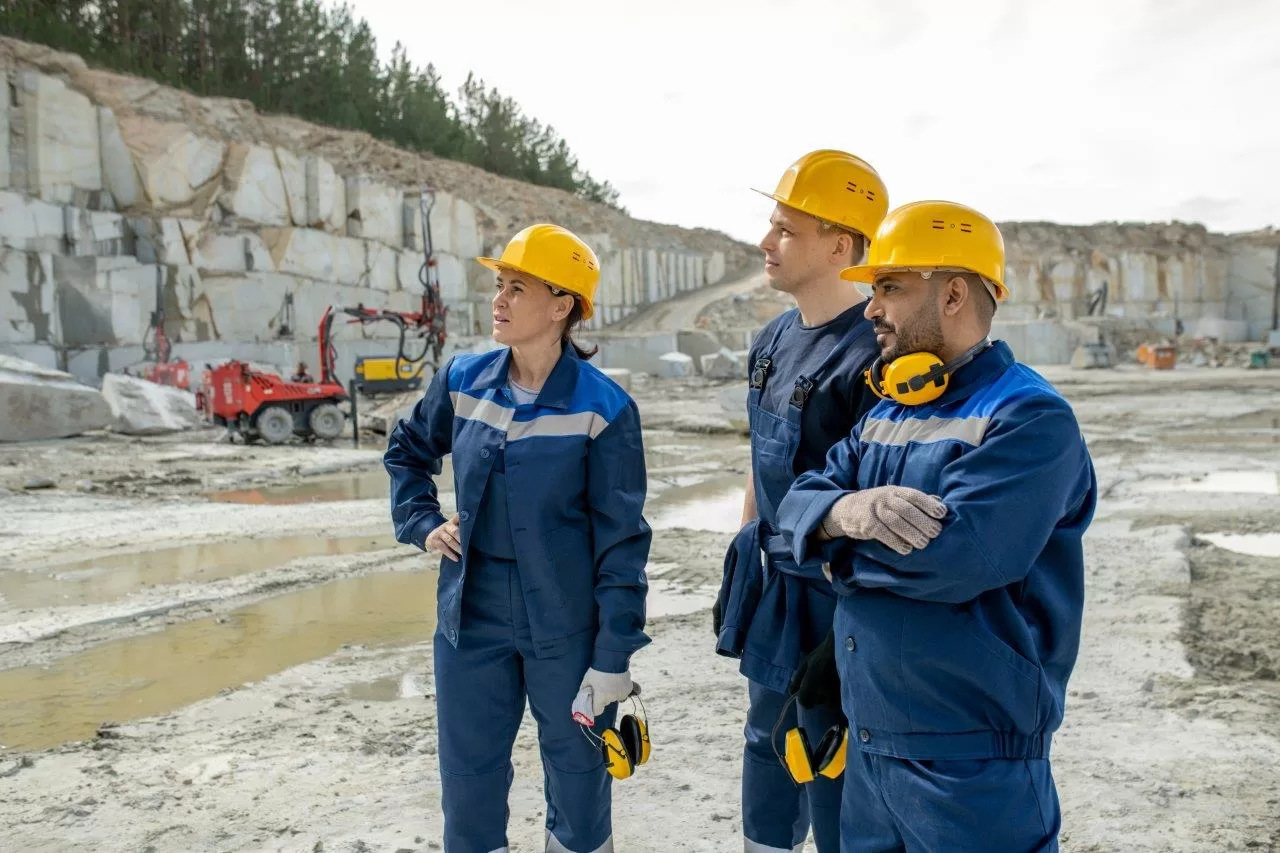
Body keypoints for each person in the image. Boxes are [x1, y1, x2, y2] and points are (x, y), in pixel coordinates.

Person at [778, 201, 1098, 852]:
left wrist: (832, 552)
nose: (870, 308)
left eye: (889, 288)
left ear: (953, 293)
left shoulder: (1029, 418)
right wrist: (844, 511)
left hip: (973, 765)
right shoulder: (886, 412)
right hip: (869, 749)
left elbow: (957, 559)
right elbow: (793, 512)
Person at [384, 223, 652, 853]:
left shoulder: (603, 407)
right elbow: (407, 452)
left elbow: (623, 543)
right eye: (499, 285)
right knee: (469, 778)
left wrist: (612, 659)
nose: (498, 300)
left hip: (564, 623)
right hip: (469, 616)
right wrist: (424, 523)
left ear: (564, 307)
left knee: (579, 778)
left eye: (518, 288)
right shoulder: (463, 380)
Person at [712, 149, 889, 853]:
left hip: (840, 594)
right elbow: (761, 456)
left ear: (840, 244)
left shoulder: (872, 354)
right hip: (776, 587)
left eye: (786, 229)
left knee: (834, 760)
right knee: (766, 744)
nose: (766, 242)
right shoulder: (773, 339)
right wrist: (745, 556)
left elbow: (878, 501)